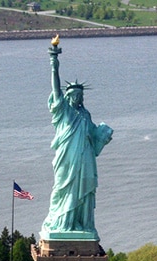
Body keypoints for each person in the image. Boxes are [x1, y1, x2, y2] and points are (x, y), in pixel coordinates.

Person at [41, 35, 113, 240]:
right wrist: (54, 63)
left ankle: (81, 223)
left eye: (81, 96)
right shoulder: (64, 111)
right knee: (63, 188)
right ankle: (62, 223)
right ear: (69, 97)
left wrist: (104, 134)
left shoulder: (85, 114)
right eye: (76, 96)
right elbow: (56, 89)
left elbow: (94, 136)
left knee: (85, 191)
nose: (80, 98)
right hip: (68, 158)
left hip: (86, 158)